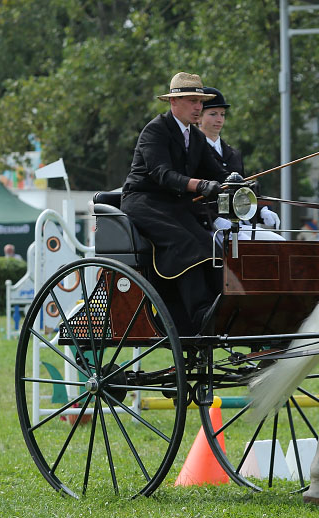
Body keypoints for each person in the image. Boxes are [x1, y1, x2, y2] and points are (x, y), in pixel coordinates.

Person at [121, 71, 229, 334]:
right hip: (143, 202)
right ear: (173, 102)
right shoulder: (155, 131)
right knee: (186, 243)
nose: (198, 107)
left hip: (175, 206)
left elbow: (217, 173)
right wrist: (200, 185)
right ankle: (201, 313)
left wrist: (239, 184)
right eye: (193, 101)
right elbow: (163, 175)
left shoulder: (197, 139)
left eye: (200, 101)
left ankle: (222, 306)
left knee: (210, 243)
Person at [198, 87, 282, 240]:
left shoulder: (234, 154)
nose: (219, 120)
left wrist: (261, 211)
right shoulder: (194, 152)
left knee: (279, 242)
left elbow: (242, 195)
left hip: (240, 224)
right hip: (209, 228)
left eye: (222, 114)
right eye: (213, 114)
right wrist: (215, 219)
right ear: (198, 117)